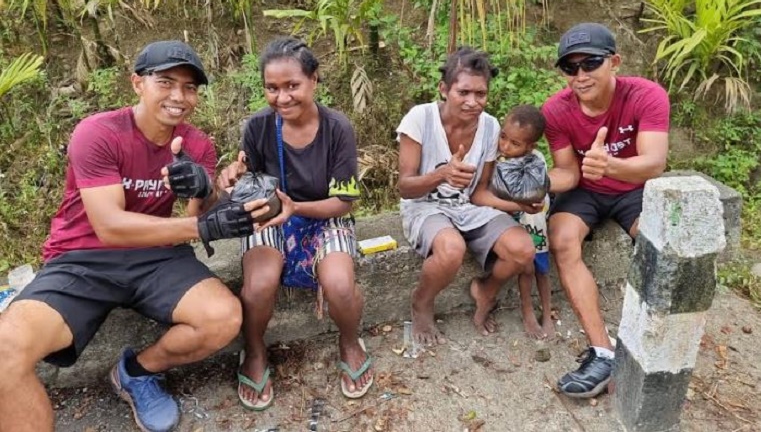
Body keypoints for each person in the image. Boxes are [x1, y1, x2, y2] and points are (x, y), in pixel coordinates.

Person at [0, 40, 270, 432]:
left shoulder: (196, 144)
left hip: (156, 256)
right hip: (82, 258)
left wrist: (204, 191)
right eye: (166, 82)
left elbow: (201, 213)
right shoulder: (98, 132)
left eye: (190, 87)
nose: (179, 96)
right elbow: (109, 225)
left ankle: (136, 371)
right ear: (137, 84)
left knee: (223, 318)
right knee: (6, 351)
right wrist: (200, 226)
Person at [216, 37, 372, 410]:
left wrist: (297, 208)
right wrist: (235, 176)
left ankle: (349, 341)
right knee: (258, 285)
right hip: (271, 216)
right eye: (272, 88)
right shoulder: (257, 127)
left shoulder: (338, 129)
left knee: (339, 283)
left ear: (314, 80)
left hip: (322, 213)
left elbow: (344, 203)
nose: (282, 97)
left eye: (292, 86)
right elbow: (249, 184)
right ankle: (254, 351)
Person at [542, 23, 670, 398]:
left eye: (590, 63)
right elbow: (567, 171)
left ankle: (654, 339)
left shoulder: (646, 95)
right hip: (585, 191)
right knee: (562, 240)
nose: (580, 76)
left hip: (633, 187)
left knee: (657, 243)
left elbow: (654, 163)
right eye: (570, 68)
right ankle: (602, 352)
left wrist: (611, 166)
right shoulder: (555, 110)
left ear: (614, 62)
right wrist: (538, 184)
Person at [397, 47, 536, 347]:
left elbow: (480, 192)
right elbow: (405, 187)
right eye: (463, 92)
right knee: (451, 249)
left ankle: (486, 289)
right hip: (424, 206)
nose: (473, 102)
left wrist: (518, 205)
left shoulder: (490, 126)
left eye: (481, 94)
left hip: (465, 207)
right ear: (444, 89)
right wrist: (441, 174)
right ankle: (422, 302)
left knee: (523, 249)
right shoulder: (419, 119)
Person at [485, 104, 554, 339]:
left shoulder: (536, 161)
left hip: (534, 222)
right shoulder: (492, 158)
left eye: (515, 144)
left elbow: (534, 193)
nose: (505, 146)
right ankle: (527, 310)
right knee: (525, 268)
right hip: (510, 224)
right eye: (503, 137)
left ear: (530, 146)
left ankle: (547, 312)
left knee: (542, 268)